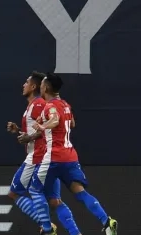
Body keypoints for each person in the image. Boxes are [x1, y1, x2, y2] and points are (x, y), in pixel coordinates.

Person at [29, 73, 118, 235]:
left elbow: (55, 120)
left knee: (36, 190)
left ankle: (48, 229)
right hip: (70, 157)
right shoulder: (65, 105)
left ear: (47, 87)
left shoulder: (50, 106)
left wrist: (43, 126)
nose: (40, 87)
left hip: (53, 158)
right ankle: (107, 221)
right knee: (80, 192)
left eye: (42, 85)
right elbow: (71, 123)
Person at [7, 71, 80, 235]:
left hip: (38, 157)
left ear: (34, 86)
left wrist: (29, 136)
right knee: (55, 201)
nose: (23, 85)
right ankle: (74, 232)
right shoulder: (32, 106)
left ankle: (47, 227)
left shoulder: (39, 104)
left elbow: (47, 129)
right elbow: (33, 134)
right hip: (46, 156)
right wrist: (18, 131)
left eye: (26, 82)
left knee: (15, 193)